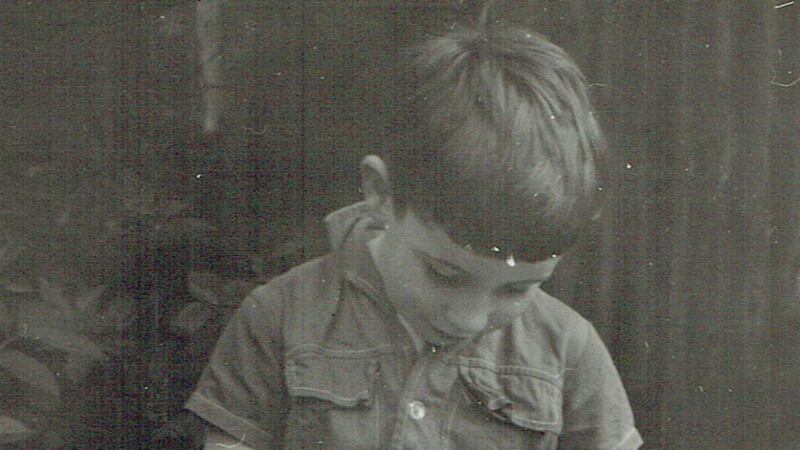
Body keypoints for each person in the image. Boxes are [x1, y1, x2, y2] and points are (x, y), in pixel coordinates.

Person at [186, 15, 643, 450]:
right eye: (445, 274)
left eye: (517, 289)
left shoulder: (570, 349)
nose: (467, 319)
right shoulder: (279, 317)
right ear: (380, 192)